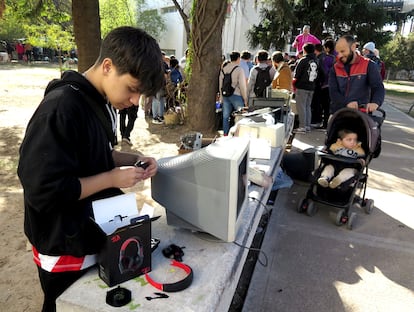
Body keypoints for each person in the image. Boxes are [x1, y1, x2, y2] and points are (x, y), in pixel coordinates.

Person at [17, 26, 164, 312]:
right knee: (65, 305)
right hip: (64, 246)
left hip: (91, 233)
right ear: (107, 67)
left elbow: (96, 154)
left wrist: (132, 159)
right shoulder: (61, 108)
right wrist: (111, 178)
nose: (135, 102)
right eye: (133, 90)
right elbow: (44, 190)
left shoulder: (98, 101)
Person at [329, 35, 385, 115]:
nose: (340, 55)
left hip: (361, 114)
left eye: (343, 51)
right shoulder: (335, 68)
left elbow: (378, 86)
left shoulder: (368, 65)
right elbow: (333, 92)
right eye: (338, 52)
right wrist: (347, 103)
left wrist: (375, 102)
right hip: (338, 113)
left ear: (353, 47)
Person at [292, 43, 321, 133]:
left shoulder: (303, 60)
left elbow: (297, 75)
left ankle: (302, 126)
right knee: (308, 106)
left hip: (302, 86)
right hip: (312, 86)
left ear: (304, 50)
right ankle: (307, 125)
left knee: (301, 107)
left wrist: (294, 84)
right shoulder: (316, 60)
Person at [218, 50, 248, 136]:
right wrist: (245, 98)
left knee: (225, 116)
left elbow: (221, 84)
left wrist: (221, 96)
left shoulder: (224, 69)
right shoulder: (239, 69)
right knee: (240, 116)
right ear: (238, 58)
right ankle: (238, 134)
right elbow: (242, 85)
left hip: (225, 95)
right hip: (236, 95)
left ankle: (226, 134)